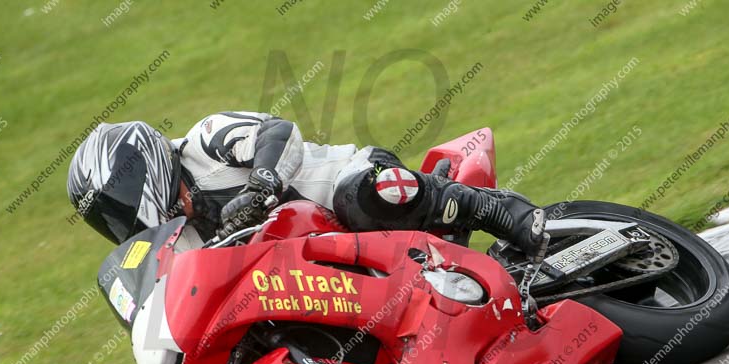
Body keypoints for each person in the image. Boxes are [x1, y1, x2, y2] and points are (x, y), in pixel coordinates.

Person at [66, 113, 546, 257]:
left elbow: (278, 131)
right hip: (314, 266)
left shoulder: (206, 139)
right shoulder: (178, 243)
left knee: (363, 197)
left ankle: (504, 212)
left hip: (346, 183)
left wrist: (262, 184)